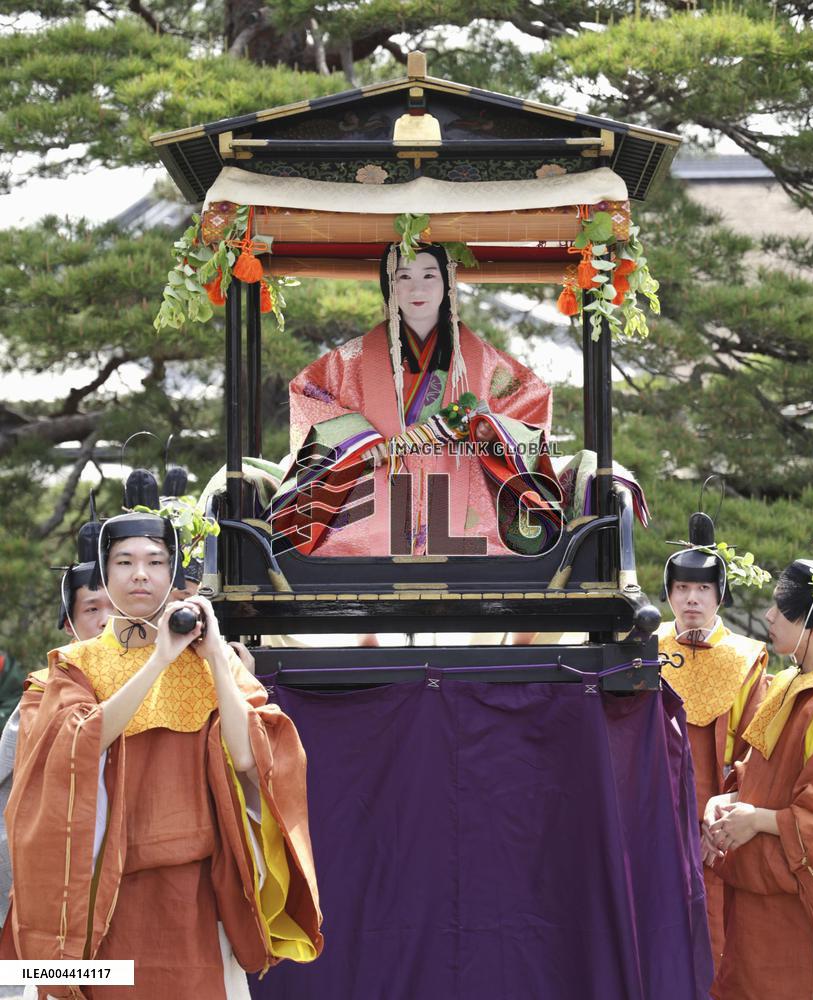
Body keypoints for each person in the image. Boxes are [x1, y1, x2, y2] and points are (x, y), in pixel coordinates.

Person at [2, 506, 322, 999]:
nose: (139, 575)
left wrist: (215, 655)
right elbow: (77, 746)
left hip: (196, 892)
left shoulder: (208, 662)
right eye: (124, 562)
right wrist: (158, 661)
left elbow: (251, 758)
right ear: (105, 575)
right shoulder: (74, 666)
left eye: (154, 561)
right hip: (105, 895)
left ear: (172, 572)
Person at [269, 242, 563, 558]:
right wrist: (361, 443)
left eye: (429, 275)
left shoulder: (486, 364)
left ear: (448, 284)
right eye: (403, 277)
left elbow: (529, 401)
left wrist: (488, 430)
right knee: (354, 540)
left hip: (465, 502)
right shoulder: (349, 362)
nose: (416, 288)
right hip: (373, 494)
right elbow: (309, 395)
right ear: (388, 285)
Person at [703, 558, 813, 1000]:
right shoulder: (788, 683)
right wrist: (730, 797)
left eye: (783, 609)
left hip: (795, 909)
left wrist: (758, 819)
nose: (769, 615)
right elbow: (760, 769)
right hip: (754, 890)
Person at [657, 506, 768, 974]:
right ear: (668, 594)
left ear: (719, 595)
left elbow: (755, 752)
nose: (692, 599)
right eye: (682, 588)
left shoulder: (746, 656)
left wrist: (721, 822)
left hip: (719, 822)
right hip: (657, 812)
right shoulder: (649, 649)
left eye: (702, 588)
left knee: (717, 934)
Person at [0, 556, 113, 927]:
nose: (106, 620)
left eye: (115, 606)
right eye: (92, 608)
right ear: (69, 623)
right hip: (65, 861)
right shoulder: (43, 692)